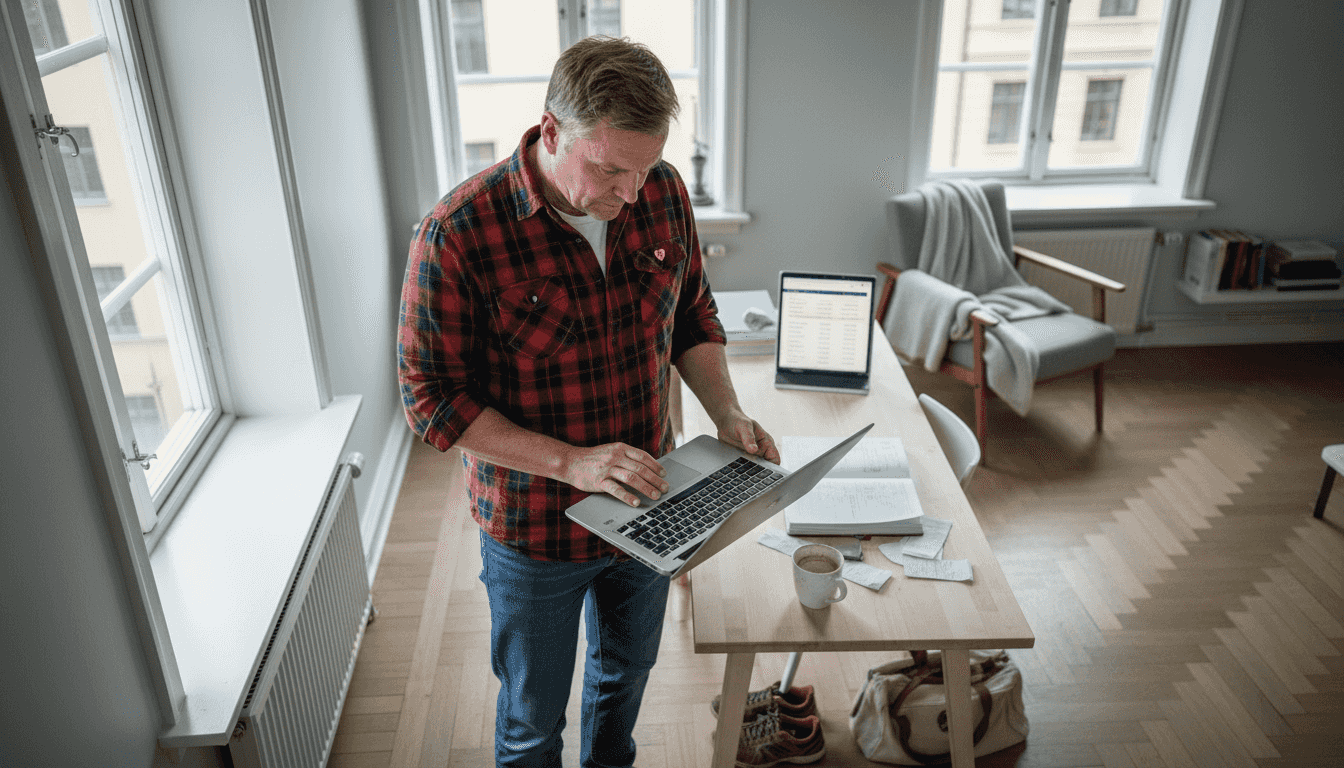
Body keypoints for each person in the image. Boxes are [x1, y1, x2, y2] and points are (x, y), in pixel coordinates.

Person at [397, 36, 779, 768]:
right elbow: (430, 400)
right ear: (551, 132)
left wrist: (726, 412)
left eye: (645, 168)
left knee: (623, 681)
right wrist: (571, 463)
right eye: (609, 169)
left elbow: (692, 314)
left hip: (651, 503)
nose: (631, 193)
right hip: (534, 531)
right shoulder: (459, 233)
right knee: (532, 722)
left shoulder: (662, 192)